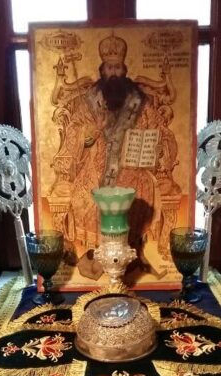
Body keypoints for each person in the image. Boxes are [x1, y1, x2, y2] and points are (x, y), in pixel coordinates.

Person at [51, 33, 178, 276]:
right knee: (87, 197)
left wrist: (151, 143)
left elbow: (157, 128)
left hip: (131, 166)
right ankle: (100, 255)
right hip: (94, 165)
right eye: (109, 67)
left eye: (118, 67)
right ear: (102, 70)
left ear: (124, 69)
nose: (114, 72)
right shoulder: (89, 101)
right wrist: (90, 133)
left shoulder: (138, 100)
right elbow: (76, 130)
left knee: (138, 191)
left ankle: (130, 253)